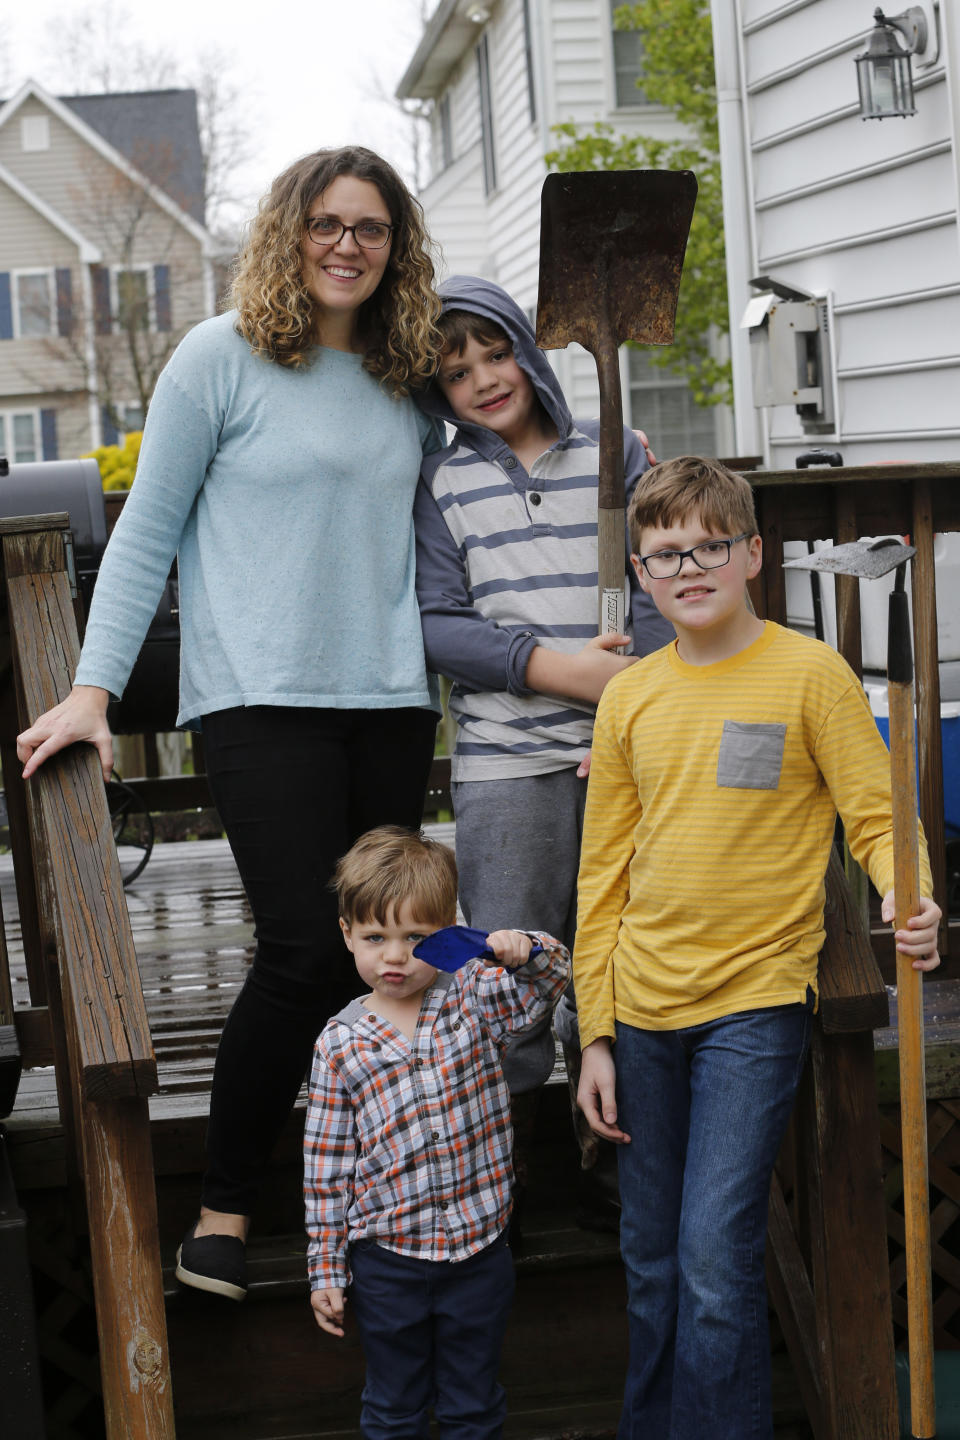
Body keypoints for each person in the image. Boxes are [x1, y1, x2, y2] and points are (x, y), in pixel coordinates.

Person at [16, 146, 446, 1301]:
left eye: (370, 226)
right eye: (325, 222)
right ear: (287, 233)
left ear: (396, 245)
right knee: (306, 950)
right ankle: (226, 1198)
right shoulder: (221, 359)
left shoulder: (411, 379)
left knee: (383, 966)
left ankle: (361, 1191)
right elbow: (143, 533)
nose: (346, 244)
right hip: (259, 699)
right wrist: (95, 689)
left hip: (392, 704)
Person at [573, 455, 943, 1438]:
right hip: (640, 1013)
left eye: (708, 547)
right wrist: (595, 1034)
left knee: (712, 1257)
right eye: (665, 554)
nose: (688, 567)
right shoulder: (629, 697)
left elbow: (875, 816)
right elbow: (601, 876)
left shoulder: (808, 673)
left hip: (753, 1009)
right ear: (643, 576)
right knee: (651, 1262)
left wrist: (912, 895)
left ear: (751, 555)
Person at [412, 275, 674, 1228]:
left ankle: (614, 1160)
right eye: (455, 373)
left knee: (619, 959)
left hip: (630, 760)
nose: (484, 379)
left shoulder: (622, 456)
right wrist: (551, 667)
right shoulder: (444, 486)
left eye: (496, 353)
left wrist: (634, 712)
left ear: (531, 346)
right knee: (510, 962)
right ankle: (509, 1178)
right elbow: (439, 626)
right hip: (508, 763)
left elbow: (661, 600)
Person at [304, 825, 570, 1440]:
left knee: (472, 1404)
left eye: (416, 938)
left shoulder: (474, 998)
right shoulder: (340, 1044)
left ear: (447, 933)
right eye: (376, 937)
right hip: (386, 1260)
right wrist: (325, 1268)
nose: (395, 957)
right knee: (394, 1406)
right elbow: (326, 1167)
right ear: (347, 935)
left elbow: (554, 978)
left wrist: (522, 948)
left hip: (478, 1251)